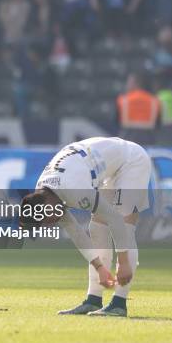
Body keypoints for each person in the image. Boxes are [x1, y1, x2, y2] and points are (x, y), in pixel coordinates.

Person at [21, 136, 152, 317]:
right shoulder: (45, 194)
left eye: (45, 219)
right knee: (97, 228)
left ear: (45, 205)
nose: (49, 223)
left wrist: (123, 262)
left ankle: (119, 304)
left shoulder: (73, 189)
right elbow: (76, 233)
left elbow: (115, 220)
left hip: (132, 161)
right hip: (109, 167)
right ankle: (93, 300)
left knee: (125, 224)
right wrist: (100, 268)